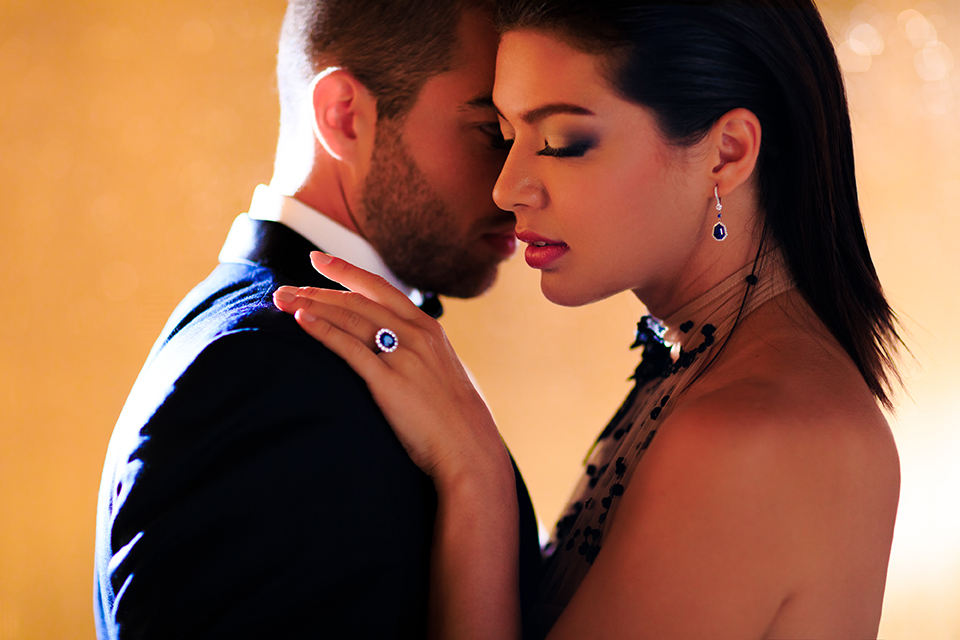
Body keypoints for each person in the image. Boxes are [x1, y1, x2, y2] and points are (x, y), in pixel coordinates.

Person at [273, 0, 904, 637]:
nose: (507, 186)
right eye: (504, 135)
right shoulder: (699, 369)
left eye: (561, 143)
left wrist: (475, 472)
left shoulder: (753, 438)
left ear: (727, 153)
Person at [94, 1, 544, 638]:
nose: (516, 184)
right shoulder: (260, 379)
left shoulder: (289, 354)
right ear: (345, 115)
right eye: (492, 133)